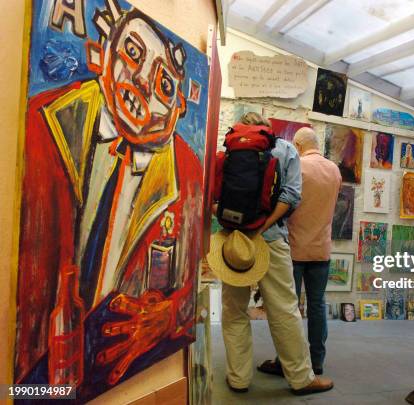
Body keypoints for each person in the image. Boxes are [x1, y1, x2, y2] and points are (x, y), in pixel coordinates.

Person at [15, 0, 202, 392]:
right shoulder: (41, 122)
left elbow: (191, 283)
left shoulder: (188, 172)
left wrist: (168, 318)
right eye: (133, 53)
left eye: (164, 85)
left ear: (176, 111)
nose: (143, 84)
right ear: (103, 54)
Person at [217, 113, 334, 395]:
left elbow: (213, 197)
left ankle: (238, 378)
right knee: (284, 309)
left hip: (232, 241)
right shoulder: (284, 149)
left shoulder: (228, 151)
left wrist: (238, 227)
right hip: (269, 239)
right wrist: (261, 227)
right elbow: (290, 196)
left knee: (234, 311)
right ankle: (301, 378)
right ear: (268, 131)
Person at [259, 127, 341, 376]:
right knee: (317, 305)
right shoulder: (334, 170)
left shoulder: (298, 167)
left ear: (297, 144)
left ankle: (287, 362)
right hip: (321, 249)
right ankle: (317, 361)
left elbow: (287, 203)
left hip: (293, 249)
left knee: (288, 309)